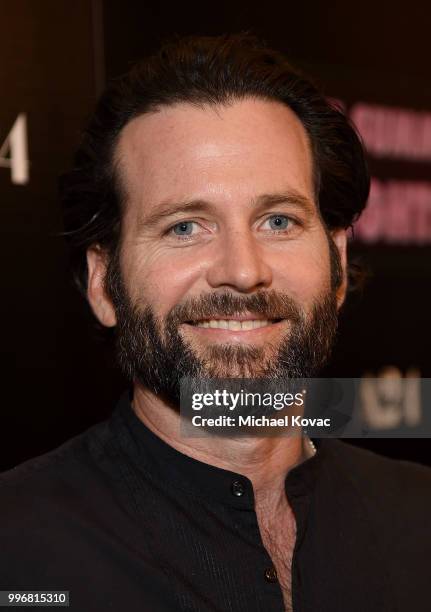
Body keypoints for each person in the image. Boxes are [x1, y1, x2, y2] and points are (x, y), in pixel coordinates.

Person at [1, 34, 430, 612]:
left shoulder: (418, 518)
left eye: (278, 221)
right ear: (105, 283)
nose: (243, 271)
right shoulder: (19, 553)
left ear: (338, 264)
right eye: (184, 227)